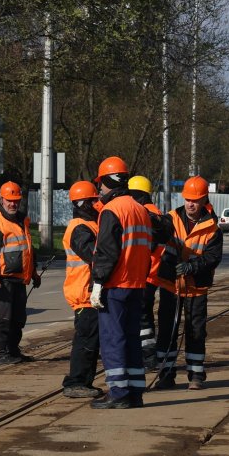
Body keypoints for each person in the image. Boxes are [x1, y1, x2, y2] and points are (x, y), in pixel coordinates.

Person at [89, 156, 154, 409]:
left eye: (101, 185)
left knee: (113, 339)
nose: (100, 190)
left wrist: (97, 283)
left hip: (116, 286)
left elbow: (107, 252)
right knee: (131, 338)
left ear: (107, 181)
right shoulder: (140, 209)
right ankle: (135, 392)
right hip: (138, 285)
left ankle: (118, 392)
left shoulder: (111, 211)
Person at [153, 175, 223, 391]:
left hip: (196, 288)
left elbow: (213, 258)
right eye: (187, 199)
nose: (190, 204)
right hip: (170, 286)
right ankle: (166, 374)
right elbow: (158, 237)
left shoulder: (213, 229)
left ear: (204, 200)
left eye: (195, 200)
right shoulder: (170, 219)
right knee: (167, 330)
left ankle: (196, 374)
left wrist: (191, 267)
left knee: (196, 331)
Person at [0, 181, 40, 365]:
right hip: (2, 280)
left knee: (18, 319)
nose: (13, 204)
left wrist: (34, 271)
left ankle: (13, 351)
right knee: (2, 319)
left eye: (16, 200)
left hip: (20, 279)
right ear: (1, 199)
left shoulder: (23, 220)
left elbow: (28, 249)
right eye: (9, 200)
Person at [60, 181, 105, 399]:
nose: (97, 203)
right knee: (86, 340)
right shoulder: (80, 227)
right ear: (83, 203)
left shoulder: (91, 224)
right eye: (93, 200)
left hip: (91, 293)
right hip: (85, 294)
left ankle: (83, 381)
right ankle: (76, 382)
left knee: (91, 340)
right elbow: (93, 256)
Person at [128, 174, 168, 371]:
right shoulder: (156, 212)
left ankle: (148, 355)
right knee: (145, 315)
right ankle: (149, 353)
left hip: (145, 273)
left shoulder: (144, 214)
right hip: (155, 273)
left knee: (142, 316)